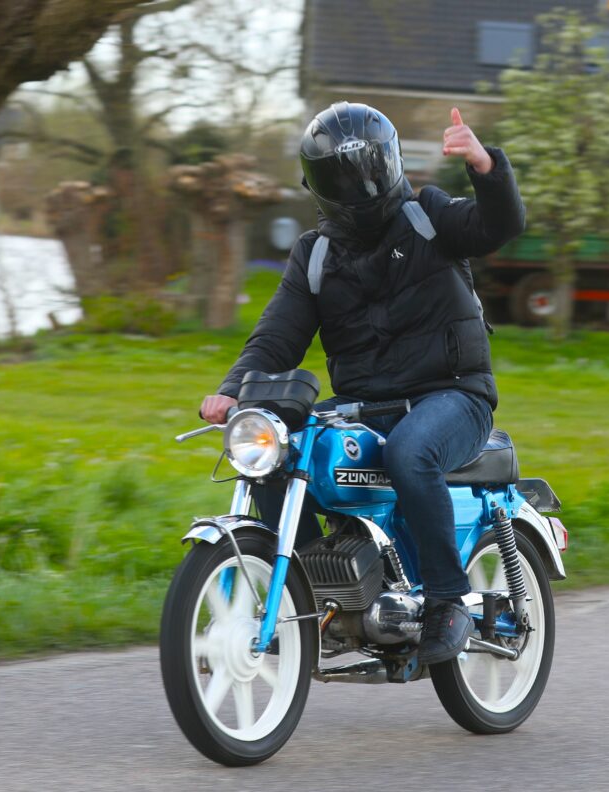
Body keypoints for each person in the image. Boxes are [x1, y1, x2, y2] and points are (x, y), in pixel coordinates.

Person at [199, 101, 525, 665]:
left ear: (391, 161)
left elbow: (498, 226)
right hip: (361, 406)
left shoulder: (430, 215)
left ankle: (447, 600)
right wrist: (233, 392)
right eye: (343, 177)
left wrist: (484, 167)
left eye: (369, 169)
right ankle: (311, 593)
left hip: (453, 395)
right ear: (318, 185)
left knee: (411, 450)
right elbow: (277, 336)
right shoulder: (315, 255)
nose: (362, 186)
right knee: (277, 452)